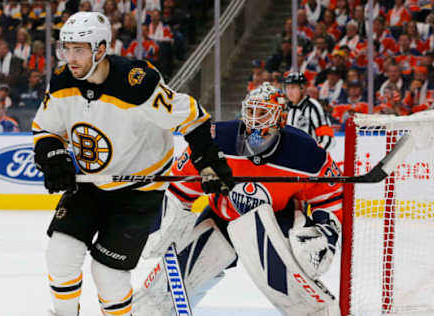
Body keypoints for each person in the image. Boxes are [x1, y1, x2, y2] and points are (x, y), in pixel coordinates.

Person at [31, 11, 234, 316]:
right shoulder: (62, 82)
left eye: (79, 50)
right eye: (66, 48)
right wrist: (53, 155)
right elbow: (45, 129)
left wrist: (208, 159)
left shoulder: (136, 84)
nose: (70, 58)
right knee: (60, 255)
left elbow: (191, 116)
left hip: (137, 193)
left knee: (109, 275)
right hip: (89, 186)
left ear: (100, 49)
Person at [133, 83, 342, 316]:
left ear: (281, 118)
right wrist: (169, 218)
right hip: (221, 218)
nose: (255, 120)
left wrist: (326, 231)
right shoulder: (217, 138)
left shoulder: (304, 152)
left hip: (276, 222)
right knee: (156, 297)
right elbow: (181, 184)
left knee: (300, 283)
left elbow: (330, 195)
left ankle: (316, 310)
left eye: (263, 113)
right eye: (251, 111)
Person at [283, 72, 334, 151]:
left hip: (309, 157)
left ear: (302, 88)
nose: (289, 92)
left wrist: (317, 155)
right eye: (288, 88)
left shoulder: (313, 106)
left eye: (293, 87)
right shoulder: (286, 108)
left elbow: (327, 137)